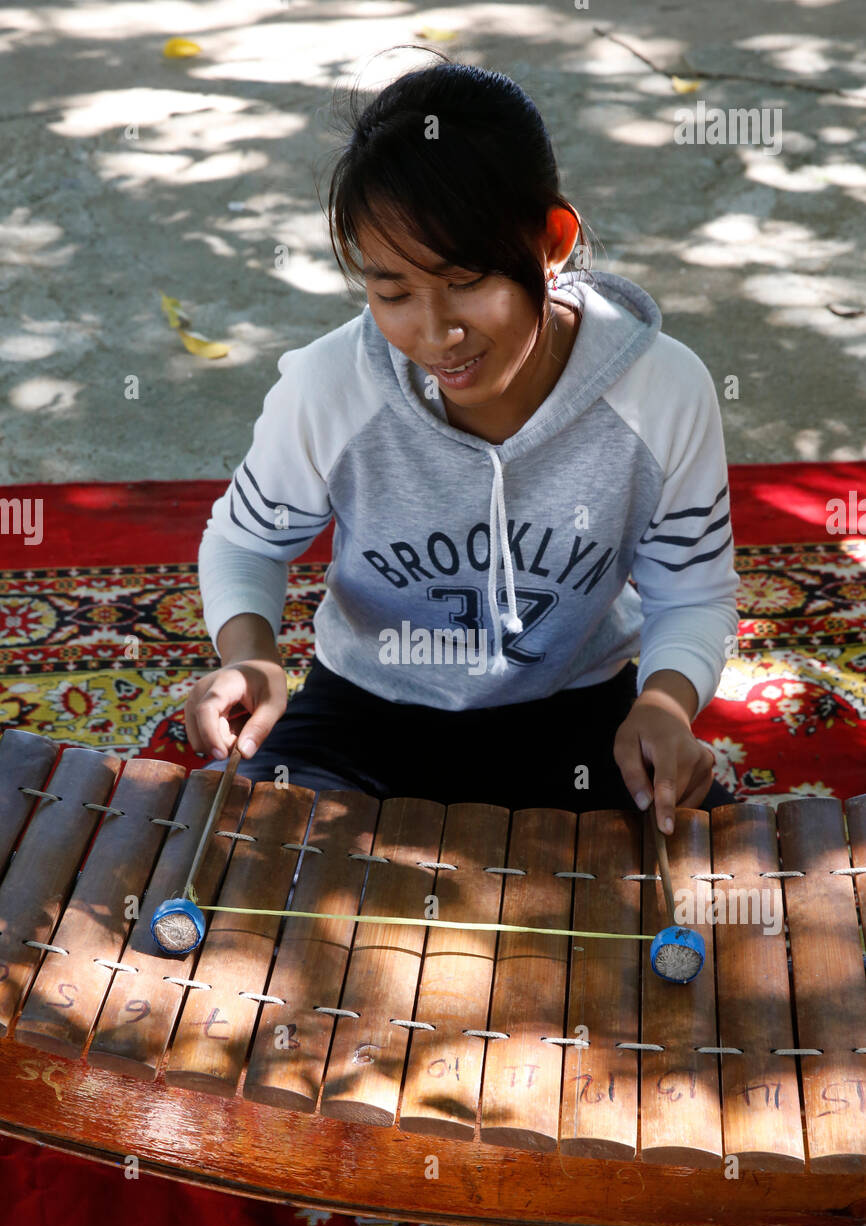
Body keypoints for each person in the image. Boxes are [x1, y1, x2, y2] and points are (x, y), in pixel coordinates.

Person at [184, 59, 741, 835]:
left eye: (468, 279)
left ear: (552, 241)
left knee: (713, 874)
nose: (436, 333)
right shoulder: (330, 386)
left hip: (575, 718)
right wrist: (251, 656)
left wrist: (664, 702)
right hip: (365, 719)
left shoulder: (662, 391)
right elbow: (245, 542)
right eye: (392, 293)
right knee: (232, 853)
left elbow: (693, 591)